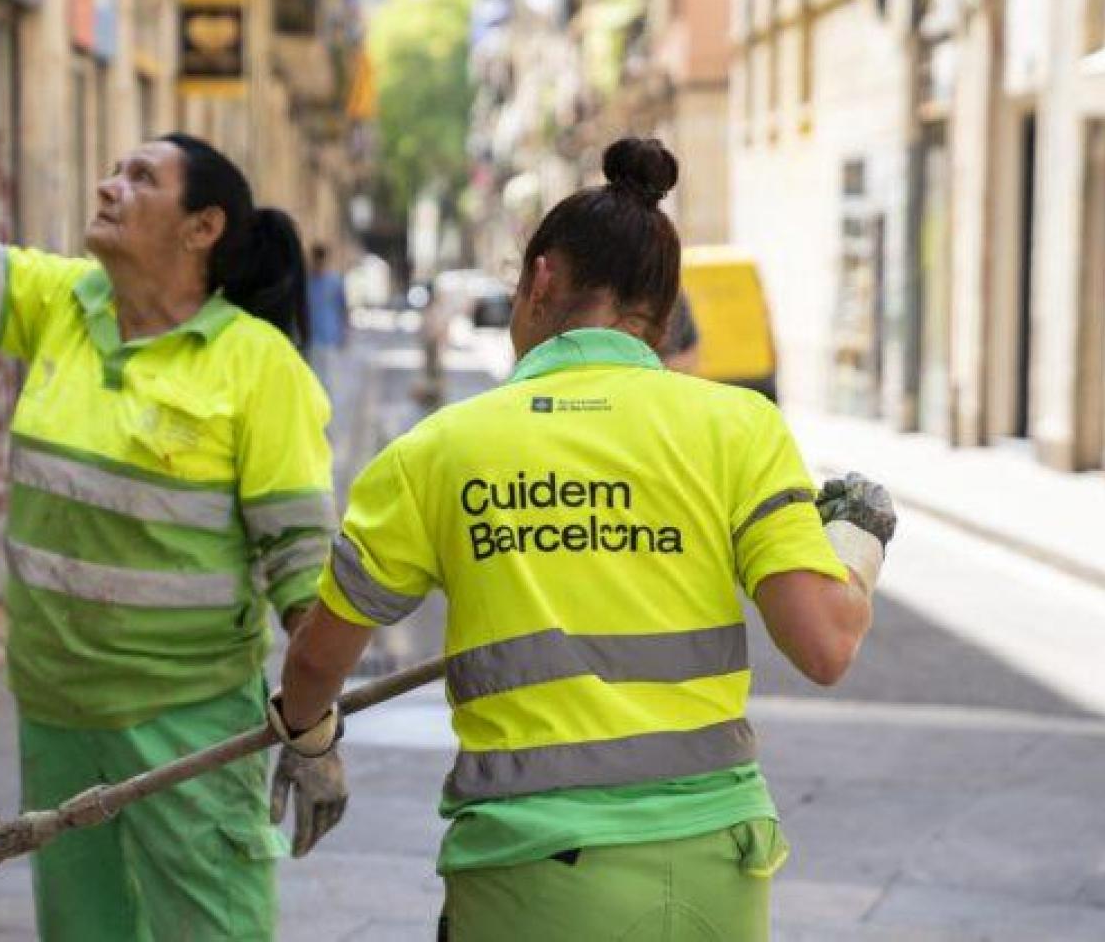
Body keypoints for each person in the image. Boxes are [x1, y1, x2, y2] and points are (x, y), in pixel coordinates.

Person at [266, 137, 897, 941]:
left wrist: (310, 739)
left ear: (541, 281)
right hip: (716, 870)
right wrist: (856, 538)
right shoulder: (739, 427)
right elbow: (825, 645)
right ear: (662, 315)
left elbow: (316, 661)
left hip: (531, 876)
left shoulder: (439, 450)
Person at [0, 0, 347, 939]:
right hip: (57, 715)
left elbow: (303, 576)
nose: (109, 186)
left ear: (202, 228)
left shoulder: (257, 366)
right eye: (112, 170)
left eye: (140, 178)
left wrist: (313, 735)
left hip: (190, 727)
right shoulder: (62, 300)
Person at [306, 243, 351, 394]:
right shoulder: (306, 282)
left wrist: (344, 333)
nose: (317, 264)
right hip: (311, 337)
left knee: (327, 379)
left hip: (330, 337)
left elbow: (343, 308)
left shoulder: (334, 281)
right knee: (312, 378)